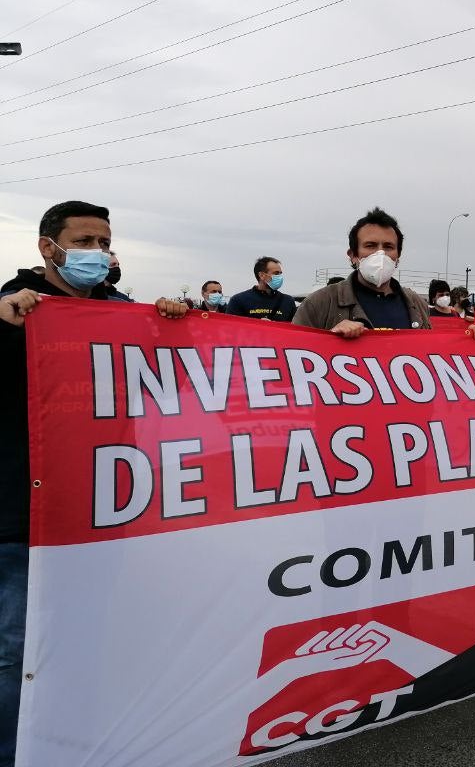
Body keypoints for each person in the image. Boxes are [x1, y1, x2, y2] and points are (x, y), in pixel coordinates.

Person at [0, 201, 189, 765]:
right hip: (23, 514)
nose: (97, 253)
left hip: (100, 509)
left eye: (103, 242)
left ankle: (70, 742)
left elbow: (180, 378)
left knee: (87, 639)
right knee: (16, 650)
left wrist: (173, 323)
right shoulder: (15, 304)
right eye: (84, 240)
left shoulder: (120, 312)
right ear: (48, 247)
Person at [293, 207, 466, 339]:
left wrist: (471, 340)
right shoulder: (319, 304)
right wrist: (330, 337)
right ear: (353, 255)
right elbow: (291, 358)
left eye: (388, 247)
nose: (380, 253)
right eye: (370, 246)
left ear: (398, 256)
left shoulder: (416, 304)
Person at [227, 256, 296, 322]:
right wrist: (258, 325)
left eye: (280, 273)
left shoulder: (288, 301)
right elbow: (230, 328)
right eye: (276, 273)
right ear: (261, 275)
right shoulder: (238, 300)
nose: (279, 277)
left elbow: (295, 329)